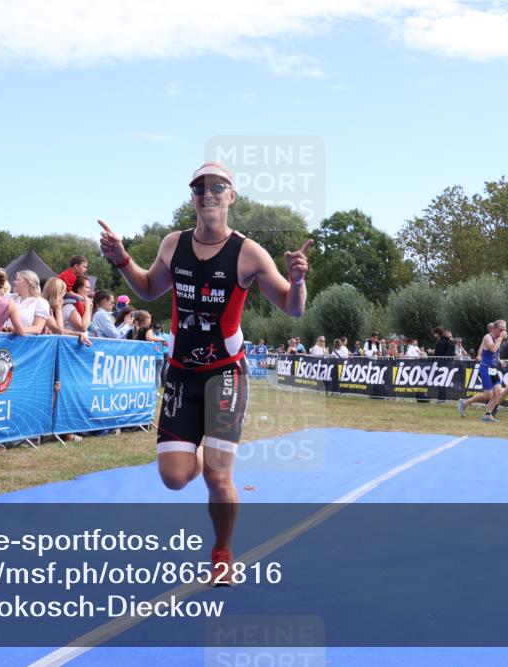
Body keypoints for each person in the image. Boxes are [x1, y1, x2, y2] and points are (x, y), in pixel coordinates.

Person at [97, 160, 311, 586]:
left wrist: (297, 279)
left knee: (217, 475)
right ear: (192, 197)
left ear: (232, 196)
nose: (208, 194)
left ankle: (222, 551)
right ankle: (205, 448)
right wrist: (122, 259)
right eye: (199, 188)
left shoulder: (249, 252)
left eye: (218, 187)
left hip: (226, 374)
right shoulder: (173, 244)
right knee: (174, 478)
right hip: (180, 372)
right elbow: (148, 289)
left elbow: (293, 307)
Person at [459, 321, 505, 420]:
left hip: (492, 369)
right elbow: (492, 349)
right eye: (501, 330)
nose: (503, 332)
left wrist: (500, 361)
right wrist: (501, 338)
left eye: (504, 330)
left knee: (498, 392)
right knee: (488, 394)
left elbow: (495, 354)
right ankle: (465, 402)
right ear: (495, 328)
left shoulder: (497, 338)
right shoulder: (488, 337)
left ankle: (487, 415)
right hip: (485, 367)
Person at [8, 270, 50, 335]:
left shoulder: (40, 302)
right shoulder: (10, 297)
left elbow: (38, 328)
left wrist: (17, 330)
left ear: (27, 283)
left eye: (18, 280)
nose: (14, 282)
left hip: (25, 343)